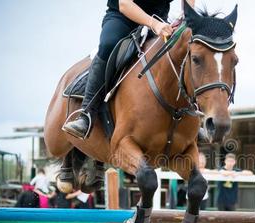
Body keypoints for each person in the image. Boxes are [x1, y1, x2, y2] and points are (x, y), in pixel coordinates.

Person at [63, 0, 195, 139]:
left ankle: (191, 112)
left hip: (160, 19)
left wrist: (188, 16)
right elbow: (125, 4)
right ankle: (87, 114)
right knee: (108, 45)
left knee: (184, 48)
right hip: (122, 19)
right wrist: (154, 24)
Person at [217, 153, 253, 223]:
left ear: (234, 162)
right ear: (225, 161)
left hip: (232, 200)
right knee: (222, 221)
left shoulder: (236, 170)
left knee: (233, 221)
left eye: (232, 161)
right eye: (228, 161)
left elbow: (250, 173)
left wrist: (236, 173)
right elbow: (221, 172)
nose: (230, 163)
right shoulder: (221, 169)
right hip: (221, 200)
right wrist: (231, 173)